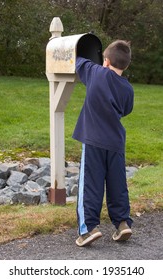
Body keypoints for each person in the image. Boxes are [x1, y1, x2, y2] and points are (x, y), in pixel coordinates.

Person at [73, 40, 134, 247]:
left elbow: (78, 59)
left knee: (91, 184)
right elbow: (126, 110)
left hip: (93, 141)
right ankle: (123, 223)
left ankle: (88, 229)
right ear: (125, 65)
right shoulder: (127, 88)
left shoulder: (95, 72)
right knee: (118, 185)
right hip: (116, 142)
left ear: (105, 61)